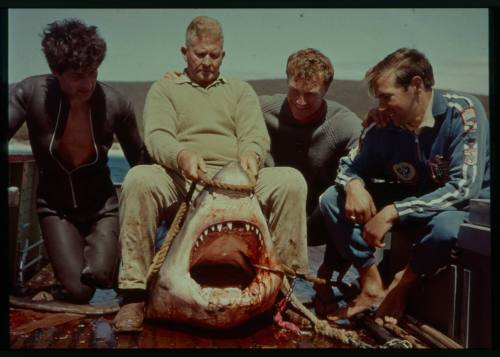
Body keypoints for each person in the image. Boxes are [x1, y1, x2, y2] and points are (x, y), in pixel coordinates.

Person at [112, 16, 308, 332]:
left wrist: (251, 154)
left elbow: (254, 134)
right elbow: (158, 134)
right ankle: (134, 293)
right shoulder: (165, 89)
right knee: (139, 180)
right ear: (185, 52)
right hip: (182, 178)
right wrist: (181, 155)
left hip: (236, 179)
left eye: (214, 55)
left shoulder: (240, 91)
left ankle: (286, 294)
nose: (207, 62)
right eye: (199, 54)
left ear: (223, 55)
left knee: (290, 181)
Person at [319, 48, 490, 325]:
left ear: (417, 86)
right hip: (416, 196)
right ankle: (371, 284)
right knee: (332, 198)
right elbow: (348, 165)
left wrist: (391, 212)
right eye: (378, 99)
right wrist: (353, 185)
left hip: (468, 207)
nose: (380, 107)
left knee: (446, 229)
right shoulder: (384, 123)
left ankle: (402, 283)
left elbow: (463, 188)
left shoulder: (463, 113)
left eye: (387, 97)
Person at [8, 19, 149, 303]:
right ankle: (65, 276)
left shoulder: (116, 104)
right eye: (77, 76)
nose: (88, 84)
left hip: (102, 209)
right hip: (55, 209)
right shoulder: (29, 93)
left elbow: (142, 163)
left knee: (102, 276)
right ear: (55, 71)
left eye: (93, 73)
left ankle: (104, 260)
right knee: (79, 292)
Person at [259, 48, 362, 315]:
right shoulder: (261, 108)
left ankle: (328, 278)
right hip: (271, 216)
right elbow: (217, 106)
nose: (300, 102)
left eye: (310, 95)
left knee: (354, 196)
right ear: (287, 82)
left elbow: (366, 158)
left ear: (325, 91)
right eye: (294, 91)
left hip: (318, 219)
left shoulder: (345, 123)